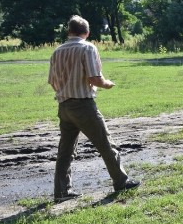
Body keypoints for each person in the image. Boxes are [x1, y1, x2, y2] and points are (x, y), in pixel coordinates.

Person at [48, 15, 140, 202]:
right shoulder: (87, 48)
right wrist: (107, 84)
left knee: (65, 151)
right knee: (106, 144)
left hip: (64, 106)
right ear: (87, 32)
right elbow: (94, 78)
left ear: (69, 31)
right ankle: (121, 181)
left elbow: (52, 82)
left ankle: (61, 192)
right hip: (83, 105)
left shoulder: (57, 51)